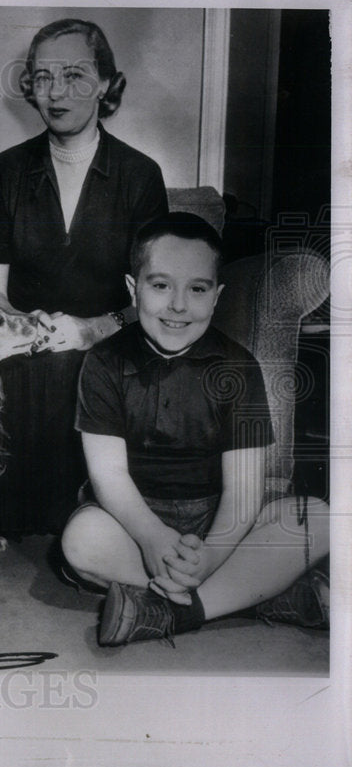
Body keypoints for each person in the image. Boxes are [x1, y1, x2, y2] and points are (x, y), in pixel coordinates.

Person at [61, 213, 330, 646]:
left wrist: (210, 556)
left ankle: (176, 612)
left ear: (217, 296)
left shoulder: (238, 367)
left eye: (197, 289)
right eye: (161, 285)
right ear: (134, 289)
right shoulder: (105, 363)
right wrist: (151, 538)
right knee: (80, 542)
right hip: (133, 518)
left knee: (320, 518)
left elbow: (244, 492)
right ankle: (256, 595)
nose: (179, 305)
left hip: (220, 518)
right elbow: (109, 476)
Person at [0, 18, 168, 536]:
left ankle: (83, 529)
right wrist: (24, 326)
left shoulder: (140, 175)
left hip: (115, 340)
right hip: (27, 345)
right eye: (42, 77)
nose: (56, 93)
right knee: (20, 368)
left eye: (75, 75)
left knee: (77, 370)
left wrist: (93, 328)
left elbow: (155, 296)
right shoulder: (6, 171)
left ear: (105, 83)